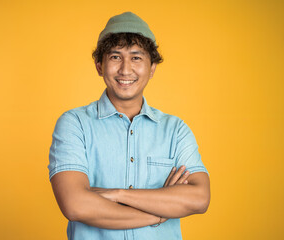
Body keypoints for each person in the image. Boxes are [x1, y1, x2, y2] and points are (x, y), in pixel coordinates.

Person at [48, 12, 210, 240]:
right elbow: (76, 205)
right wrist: (160, 213)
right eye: (115, 57)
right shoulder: (74, 124)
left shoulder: (176, 130)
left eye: (136, 58)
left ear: (152, 68)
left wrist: (117, 194)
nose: (125, 70)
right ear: (99, 66)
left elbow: (199, 198)